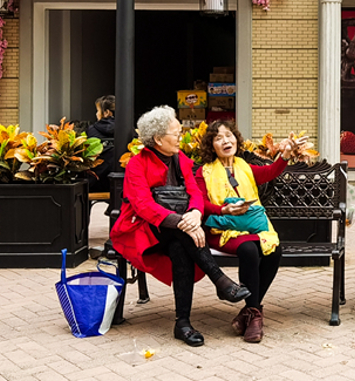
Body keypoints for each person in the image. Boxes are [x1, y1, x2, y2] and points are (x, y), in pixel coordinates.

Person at [109, 106, 250, 347]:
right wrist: (184, 223)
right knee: (183, 236)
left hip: (178, 232)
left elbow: (194, 191)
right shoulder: (136, 164)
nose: (180, 136)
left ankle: (182, 323)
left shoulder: (181, 158)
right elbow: (143, 206)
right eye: (175, 133)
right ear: (157, 139)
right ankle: (221, 281)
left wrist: (195, 213)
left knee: (179, 248)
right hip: (142, 231)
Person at [195, 120, 297, 343]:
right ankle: (255, 315)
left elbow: (270, 172)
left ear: (236, 139)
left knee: (274, 250)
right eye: (218, 138)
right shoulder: (204, 172)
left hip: (251, 225)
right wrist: (224, 209)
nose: (225, 141)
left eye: (229, 135)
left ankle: (251, 311)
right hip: (221, 229)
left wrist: (286, 155)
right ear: (211, 145)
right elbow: (200, 204)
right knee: (250, 250)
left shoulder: (244, 166)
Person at [85, 95, 115, 192]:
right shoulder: (127, 129)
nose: (96, 114)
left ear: (106, 113)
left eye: (98, 111)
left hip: (95, 182)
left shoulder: (92, 130)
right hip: (122, 183)